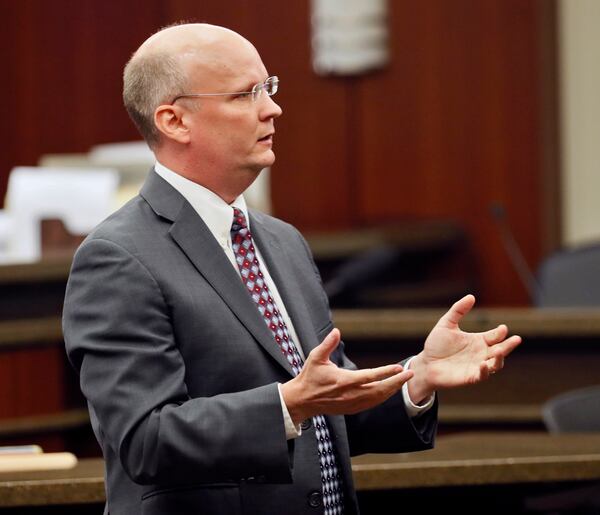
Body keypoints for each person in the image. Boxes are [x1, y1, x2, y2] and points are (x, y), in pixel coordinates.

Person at [62, 23, 521, 515]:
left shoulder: (281, 241)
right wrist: (288, 405)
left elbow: (331, 409)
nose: (272, 107)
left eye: (268, 87)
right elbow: (145, 440)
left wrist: (417, 379)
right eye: (244, 94)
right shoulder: (117, 257)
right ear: (175, 121)